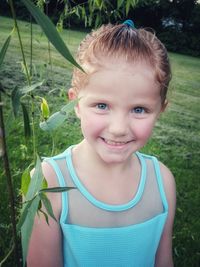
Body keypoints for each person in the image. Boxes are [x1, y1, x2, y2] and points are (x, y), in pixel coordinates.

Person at [27, 20, 176, 267]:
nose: (118, 128)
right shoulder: (46, 181)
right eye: (102, 105)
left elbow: (164, 260)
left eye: (139, 109)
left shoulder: (162, 182)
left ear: (161, 110)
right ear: (75, 103)